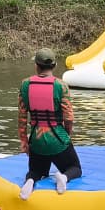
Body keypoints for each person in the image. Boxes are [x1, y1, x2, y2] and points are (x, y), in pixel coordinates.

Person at [16, 48, 83, 200]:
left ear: (36, 65)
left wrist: (24, 142)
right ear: (54, 65)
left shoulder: (25, 85)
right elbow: (69, 116)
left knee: (37, 171)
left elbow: (21, 117)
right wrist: (67, 135)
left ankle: (30, 181)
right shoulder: (61, 86)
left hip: (36, 140)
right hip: (57, 139)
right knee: (75, 168)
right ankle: (64, 178)